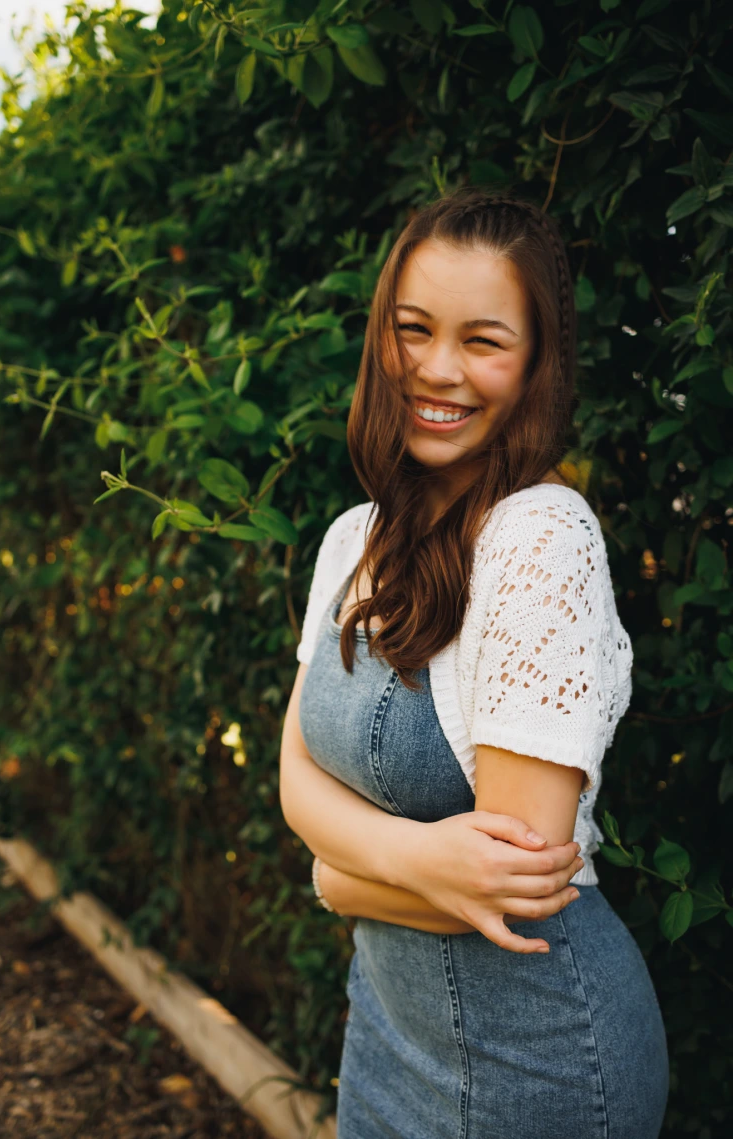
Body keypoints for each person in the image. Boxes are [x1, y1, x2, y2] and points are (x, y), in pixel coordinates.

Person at [279, 189, 669, 1139]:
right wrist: (411, 860)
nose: (438, 369)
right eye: (413, 330)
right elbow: (292, 777)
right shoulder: (351, 540)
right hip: (385, 1030)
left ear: (536, 362)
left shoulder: (541, 536)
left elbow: (509, 886)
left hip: (541, 1056)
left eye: (484, 340)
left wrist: (340, 874)